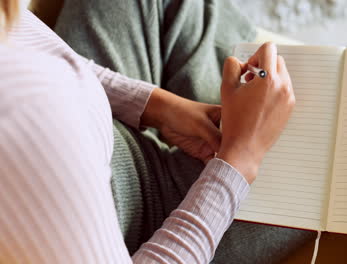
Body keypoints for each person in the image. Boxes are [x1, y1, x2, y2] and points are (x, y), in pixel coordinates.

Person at [0, 0, 315, 263]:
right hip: (153, 224)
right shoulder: (24, 121)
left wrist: (159, 107)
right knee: (339, 139)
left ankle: (212, 92)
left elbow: (35, 52)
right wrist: (239, 159)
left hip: (101, 137)